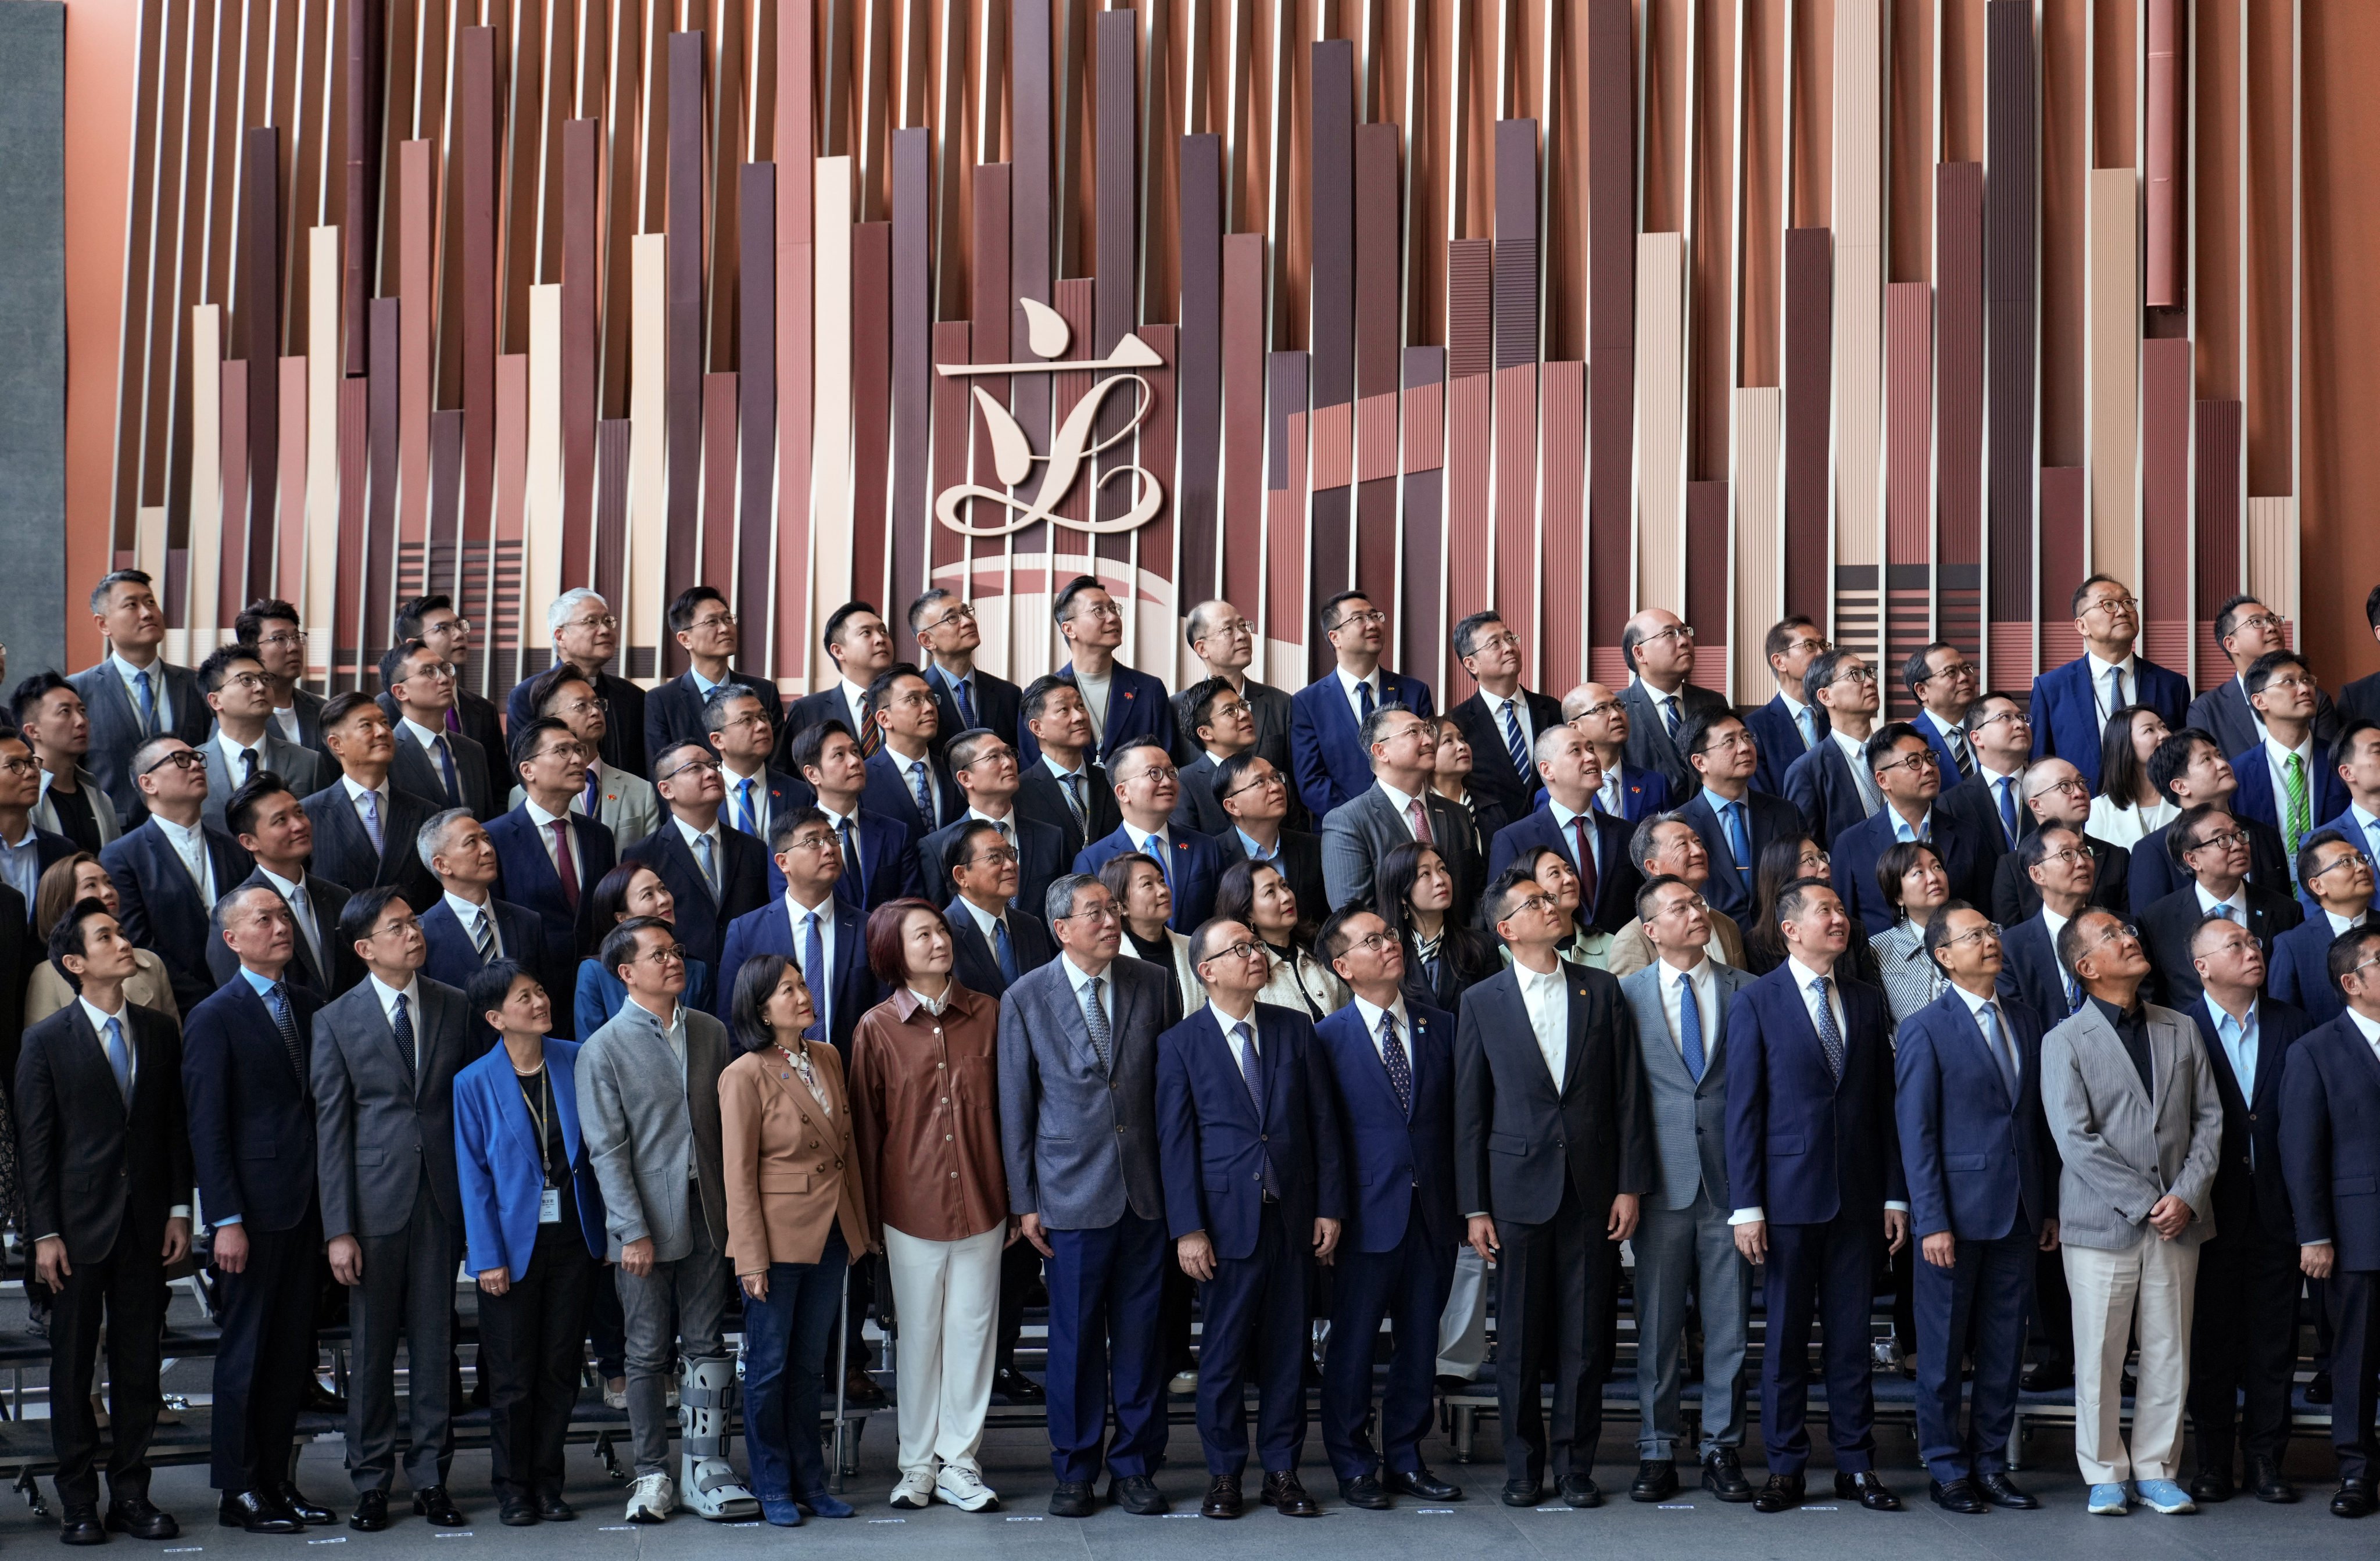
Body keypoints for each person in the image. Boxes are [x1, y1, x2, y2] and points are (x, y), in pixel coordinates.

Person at [1455, 865, 1651, 1506]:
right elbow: (1470, 1110)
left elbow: (1627, 1098)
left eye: (1552, 897)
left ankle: (1575, 1466)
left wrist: (1628, 1185)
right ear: (1507, 928)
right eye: (1535, 901)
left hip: (1593, 1189)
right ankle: (1522, 1466)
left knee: (1586, 1339)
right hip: (1514, 1192)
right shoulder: (1482, 1000)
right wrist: (1475, 1204)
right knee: (1515, 1339)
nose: (1552, 905)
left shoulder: (1600, 989)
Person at [1724, 876, 1907, 1513]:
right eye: (1824, 910)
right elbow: (1743, 1111)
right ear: (1791, 928)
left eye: (1841, 910)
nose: (1839, 919)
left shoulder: (1862, 997)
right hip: (1784, 1200)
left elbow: (1883, 1105)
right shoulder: (1757, 1001)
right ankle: (1785, 1466)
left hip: (1858, 1200)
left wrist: (1895, 1195)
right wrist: (1746, 1205)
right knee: (1784, 1340)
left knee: (1852, 1339)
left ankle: (1857, 1465)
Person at [995, 873, 1173, 1517]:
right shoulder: (1025, 997)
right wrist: (1025, 1200)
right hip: (1069, 1194)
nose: (1110, 919)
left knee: (1142, 1337)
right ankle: (1074, 1469)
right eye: (1094, 912)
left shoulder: (1150, 982)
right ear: (1062, 928)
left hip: (1146, 1191)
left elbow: (1169, 1089)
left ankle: (1136, 1466)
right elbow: (1015, 1105)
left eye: (1113, 908)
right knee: (1071, 1342)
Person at [1158, 916, 1345, 1519]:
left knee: (1290, 1353)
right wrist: (1187, 1227)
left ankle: (1283, 1471)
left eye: (1256, 945)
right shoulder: (1181, 1043)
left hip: (1291, 1219)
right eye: (1239, 949)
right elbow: (1175, 1143)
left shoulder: (1294, 1029)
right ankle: (1224, 1473)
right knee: (1223, 1356)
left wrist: (1329, 1208)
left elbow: (1323, 1125)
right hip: (1223, 1224)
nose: (1255, 955)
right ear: (1207, 970)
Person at [19, 897, 192, 1544]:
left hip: (147, 1225)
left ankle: (131, 1493)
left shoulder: (157, 1029)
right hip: (73, 1231)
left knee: (139, 1365)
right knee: (72, 1371)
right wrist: (43, 1233)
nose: (124, 943)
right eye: (106, 937)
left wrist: (180, 1207)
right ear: (74, 962)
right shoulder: (45, 1040)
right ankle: (77, 1501)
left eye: (120, 933)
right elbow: (37, 1147)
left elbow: (173, 1126)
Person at [2038, 907, 2222, 1516]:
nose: (2130, 937)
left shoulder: (2181, 1026)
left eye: (2128, 929)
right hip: (2102, 1222)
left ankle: (2158, 1467)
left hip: (2180, 1218)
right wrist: (2148, 1203)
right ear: (2086, 967)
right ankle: (2104, 1471)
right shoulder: (2063, 1040)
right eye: (2112, 935)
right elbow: (2075, 1138)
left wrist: (2186, 1195)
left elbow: (2210, 1121)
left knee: (2170, 1348)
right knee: (2100, 1353)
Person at [577, 915, 760, 1523]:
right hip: (644, 1222)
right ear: (627, 972)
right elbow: (606, 1149)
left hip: (708, 1209)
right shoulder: (603, 1047)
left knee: (708, 1343)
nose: (674, 960)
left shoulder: (709, 1030)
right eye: (658, 955)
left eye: (676, 950)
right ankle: (652, 1471)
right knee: (647, 1350)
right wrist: (630, 1229)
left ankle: (706, 1464)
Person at [311, 886, 475, 1530]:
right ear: (364, 948)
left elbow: (463, 1110)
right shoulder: (335, 1019)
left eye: (414, 923)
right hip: (372, 1204)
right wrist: (338, 1228)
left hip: (440, 1196)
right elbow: (332, 1129)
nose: (414, 933)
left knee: (436, 1345)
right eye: (398, 926)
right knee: (372, 1349)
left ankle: (433, 1477)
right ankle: (372, 1480)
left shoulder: (453, 1004)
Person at [1894, 903, 2058, 1513]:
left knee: (2001, 1348)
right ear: (1944, 955)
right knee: (1940, 1351)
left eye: (1991, 932)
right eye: (1975, 936)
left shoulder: (2026, 1018)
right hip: (1953, 1220)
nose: (1991, 941)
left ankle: (1991, 1463)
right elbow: (1917, 1133)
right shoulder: (1924, 1027)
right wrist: (1931, 1219)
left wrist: (2047, 1206)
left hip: (2019, 1209)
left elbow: (2036, 1122)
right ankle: (1946, 1466)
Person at [847, 901, 1008, 1512]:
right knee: (916, 1337)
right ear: (894, 950)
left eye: (941, 930)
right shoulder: (876, 1027)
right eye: (923, 935)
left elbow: (1013, 1111)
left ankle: (961, 1461)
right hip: (907, 1207)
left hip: (984, 1200)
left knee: (973, 1333)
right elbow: (865, 1129)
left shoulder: (990, 1015)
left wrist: (1016, 1199)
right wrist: (867, 1220)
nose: (940, 941)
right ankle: (916, 1463)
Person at [185, 885, 336, 1534]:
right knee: (245, 1354)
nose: (281, 927)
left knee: (290, 1357)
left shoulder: (308, 1004)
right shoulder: (214, 1015)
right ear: (232, 938)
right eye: (263, 919)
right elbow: (207, 1125)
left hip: (308, 1208)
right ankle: (238, 1489)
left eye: (283, 916)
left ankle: (278, 1480)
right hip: (250, 1212)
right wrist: (224, 1218)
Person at [1309, 907, 1464, 1509]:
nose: (1390, 944)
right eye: (1373, 940)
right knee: (1351, 1346)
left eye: (1390, 934)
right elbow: (1323, 1137)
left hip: (1433, 1214)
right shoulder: (1325, 1037)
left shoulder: (1442, 1025)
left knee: (1420, 1344)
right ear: (1344, 966)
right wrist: (1328, 1210)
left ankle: (1405, 1456)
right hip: (1363, 1217)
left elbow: (1462, 1122)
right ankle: (1352, 1462)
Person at [718, 954, 872, 1526]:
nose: (802, 994)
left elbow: (847, 1151)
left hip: (833, 1231)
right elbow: (738, 1174)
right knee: (768, 1367)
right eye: (787, 989)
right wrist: (750, 1258)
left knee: (811, 1366)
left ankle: (813, 1479)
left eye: (802, 983)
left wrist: (861, 1227)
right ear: (761, 1007)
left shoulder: (828, 1055)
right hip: (777, 1243)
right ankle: (772, 1483)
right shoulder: (744, 1073)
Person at [1616, 876, 1755, 1503]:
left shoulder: (1746, 991)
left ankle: (1722, 1447)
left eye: (1699, 903)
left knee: (1728, 1327)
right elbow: (1621, 1102)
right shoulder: (1626, 996)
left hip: (1732, 1184)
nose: (1696, 913)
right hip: (1661, 1185)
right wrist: (1628, 1183)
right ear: (1651, 929)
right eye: (1680, 908)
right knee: (1659, 1327)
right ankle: (1655, 1448)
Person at [453, 961, 606, 1526]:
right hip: (510, 1249)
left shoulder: (576, 1058)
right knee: (514, 1376)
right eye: (525, 997)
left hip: (573, 1238)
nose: (540, 1001)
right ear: (496, 1017)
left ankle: (548, 1481)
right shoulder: (471, 1083)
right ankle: (512, 1487)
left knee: (561, 1368)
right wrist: (485, 1257)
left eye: (541, 990)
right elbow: (473, 1176)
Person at [2179, 918, 2311, 1504]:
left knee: (2273, 1344)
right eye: (2235, 945)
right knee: (2211, 1343)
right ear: (2203, 966)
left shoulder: (2292, 1021)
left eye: (2253, 942)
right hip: (2208, 1211)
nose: (2252, 950)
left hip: (2278, 1209)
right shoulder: (2178, 1025)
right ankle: (2210, 1463)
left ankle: (2266, 1461)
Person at [2280, 922, 2380, 1518]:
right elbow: (2301, 1151)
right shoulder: (2314, 1050)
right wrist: (2314, 1233)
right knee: (2356, 1358)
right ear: (2352, 981)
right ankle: (2357, 1470)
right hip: (2355, 1233)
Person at [101, 734, 252, 1014]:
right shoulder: (121, 856)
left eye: (197, 758)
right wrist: (205, 998)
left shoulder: (233, 849)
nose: (196, 765)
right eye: (181, 760)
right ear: (148, 783)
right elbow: (139, 944)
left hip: (243, 996)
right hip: (171, 1006)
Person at [714, 810, 877, 1056]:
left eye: (833, 839)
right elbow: (734, 1020)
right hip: (775, 1081)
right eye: (813, 842)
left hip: (855, 1077)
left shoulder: (868, 927)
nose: (829, 849)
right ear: (783, 862)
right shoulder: (747, 931)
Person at [487, 718, 620, 1003]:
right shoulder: (495, 837)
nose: (577, 759)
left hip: (595, 989)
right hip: (531, 991)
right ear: (528, 770)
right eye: (562, 751)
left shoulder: (598, 835)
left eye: (578, 750)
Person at [69, 568, 211, 824]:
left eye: (150, 602)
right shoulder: (77, 692)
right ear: (103, 624)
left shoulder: (196, 685)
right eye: (131, 605)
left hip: (190, 825)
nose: (147, 613)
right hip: (113, 833)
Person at [2029, 575, 2193, 789]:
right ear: (2082, 626)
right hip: (2083, 813)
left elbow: (2182, 758)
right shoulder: (2051, 688)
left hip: (2160, 810)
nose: (2123, 611)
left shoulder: (2172, 685)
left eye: (2127, 602)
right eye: (2108, 604)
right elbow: (2040, 767)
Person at [1828, 723, 1991, 936]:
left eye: (1930, 758)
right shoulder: (1851, 844)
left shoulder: (1969, 836)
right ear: (1883, 779)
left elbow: (1985, 913)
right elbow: (1845, 924)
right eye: (1914, 762)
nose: (1928, 768)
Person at [622, 740, 771, 973]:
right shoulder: (643, 856)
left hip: (748, 979)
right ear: (666, 789)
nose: (711, 773)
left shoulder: (754, 849)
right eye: (696, 768)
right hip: (682, 981)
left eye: (713, 765)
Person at [1319, 706, 1480, 918]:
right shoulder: (1348, 822)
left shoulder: (1457, 813)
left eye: (1427, 731)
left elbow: (1477, 893)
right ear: (1381, 752)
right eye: (1414, 732)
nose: (1428, 740)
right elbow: (1353, 916)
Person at [2138, 804, 2303, 1008]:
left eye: (2240, 835)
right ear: (2192, 859)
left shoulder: (2285, 911)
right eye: (2222, 839)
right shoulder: (2157, 920)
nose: (2238, 845)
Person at [210, 772, 355, 998]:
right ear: (249, 841)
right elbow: (238, 998)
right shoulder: (234, 912)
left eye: (299, 813)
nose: (299, 825)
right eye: (281, 820)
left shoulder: (339, 896)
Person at [1291, 591, 1437, 818]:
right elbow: (1311, 781)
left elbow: (1428, 760)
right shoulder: (1307, 703)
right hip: (1345, 828)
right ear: (1335, 637)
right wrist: (1360, 819)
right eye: (1359, 619)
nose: (1373, 624)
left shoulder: (1414, 692)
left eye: (1375, 616)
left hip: (1411, 820)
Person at [1486, 724, 1639, 935]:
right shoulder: (1513, 839)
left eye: (1591, 749)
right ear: (1547, 770)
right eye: (1576, 750)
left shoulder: (1627, 833)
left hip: (1621, 960)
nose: (1591, 757)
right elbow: (1500, 918)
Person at [1021, 576, 1179, 765]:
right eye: (1099, 611)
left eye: (1113, 609)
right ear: (1069, 629)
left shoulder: (1149, 690)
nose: (1113, 618)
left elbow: (1168, 763)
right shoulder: (1039, 696)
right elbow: (1032, 772)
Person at [917, 729, 1069, 923]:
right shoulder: (937, 846)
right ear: (965, 778)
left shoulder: (1051, 838)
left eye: (1009, 753)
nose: (1008, 763)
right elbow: (940, 921)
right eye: (994, 757)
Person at [2128, 728, 2289, 911]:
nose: (2222, 764)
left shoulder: (2263, 834)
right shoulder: (2153, 851)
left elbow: (2285, 913)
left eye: (2219, 755)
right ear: (2180, 786)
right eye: (2207, 760)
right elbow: (2152, 926)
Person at [1076, 737, 1229, 929]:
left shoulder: (1206, 847)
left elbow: (1224, 918)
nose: (1167, 782)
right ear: (1123, 792)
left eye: (1171, 772)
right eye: (1154, 773)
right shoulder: (1093, 860)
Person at [301, 693, 439, 905]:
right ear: (337, 744)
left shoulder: (425, 812)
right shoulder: (309, 814)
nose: (382, 732)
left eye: (385, 723)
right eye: (366, 725)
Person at [2226, 650, 2349, 882]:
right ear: (2259, 700)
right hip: (2269, 899)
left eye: (2306, 680)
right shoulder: (2237, 774)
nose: (2305, 689)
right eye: (2289, 682)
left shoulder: (2340, 762)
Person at [1676, 709, 1804, 925]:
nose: (1745, 747)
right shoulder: (1681, 824)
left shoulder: (1785, 813)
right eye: (1729, 742)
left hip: (1779, 940)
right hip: (1715, 942)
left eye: (1746, 737)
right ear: (1700, 762)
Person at [1447, 610, 1565, 839]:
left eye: (1510, 638)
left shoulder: (1551, 710)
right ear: (1471, 664)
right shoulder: (1457, 724)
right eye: (1495, 644)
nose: (1509, 647)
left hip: (1556, 837)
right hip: (1494, 844)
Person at [504, 589, 647, 778]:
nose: (605, 630)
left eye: (607, 621)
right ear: (560, 636)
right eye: (592, 622)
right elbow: (523, 774)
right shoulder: (527, 696)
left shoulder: (633, 696)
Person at [513, 665, 659, 844]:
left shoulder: (640, 790)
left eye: (597, 703)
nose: (595, 711)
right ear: (552, 719)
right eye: (581, 706)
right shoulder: (528, 792)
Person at [416, 808, 553, 999]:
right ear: (442, 865)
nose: (488, 849)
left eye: (486, 839)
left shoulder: (527, 921)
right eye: (471, 842)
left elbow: (546, 992)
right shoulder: (422, 933)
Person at [573, 862, 715, 1039]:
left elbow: (707, 1043)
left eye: (663, 889)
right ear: (622, 918)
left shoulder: (696, 969)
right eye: (648, 895)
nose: (664, 899)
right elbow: (589, 1051)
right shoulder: (595, 972)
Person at [30, 853, 176, 1023]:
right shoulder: (47, 976)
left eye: (109, 882)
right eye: (91, 885)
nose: (108, 892)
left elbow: (173, 1041)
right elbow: (45, 1045)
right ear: (62, 899)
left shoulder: (151, 962)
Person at [791, 719, 921, 911]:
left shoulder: (896, 833)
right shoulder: (793, 840)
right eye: (839, 755)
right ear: (812, 774)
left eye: (854, 752)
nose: (855, 762)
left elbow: (912, 906)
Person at [2191, 593, 2341, 758]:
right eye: (2256, 622)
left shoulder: (2314, 698)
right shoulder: (2206, 710)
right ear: (2231, 644)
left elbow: (2331, 766)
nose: (2271, 628)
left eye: (2273, 620)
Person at [646, 585, 785, 758]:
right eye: (712, 622)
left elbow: (779, 762)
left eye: (728, 619)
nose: (725, 629)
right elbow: (662, 768)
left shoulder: (764, 691)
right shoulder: (662, 701)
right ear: (685, 639)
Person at [1991, 757, 2134, 923]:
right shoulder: (2012, 867)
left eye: (2081, 783)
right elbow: (2011, 941)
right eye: (2065, 786)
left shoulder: (2117, 857)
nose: (2080, 793)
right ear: (2037, 805)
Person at [196, 642, 322, 826]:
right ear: (215, 700)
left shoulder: (308, 762)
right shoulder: (194, 765)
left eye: (266, 679)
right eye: (247, 680)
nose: (260, 687)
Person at [1605, 812, 1746, 975]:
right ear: (1653, 866)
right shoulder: (1633, 938)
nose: (1698, 851)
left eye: (1697, 841)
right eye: (1682, 845)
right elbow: (1632, 998)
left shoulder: (1727, 925)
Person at [1175, 600, 1296, 787]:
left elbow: (1293, 781)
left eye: (1242, 625)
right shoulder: (1175, 707)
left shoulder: (1280, 703)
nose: (1242, 635)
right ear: (1202, 648)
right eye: (1228, 629)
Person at [388, 594, 509, 778]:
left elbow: (499, 787)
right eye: (443, 629)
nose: (459, 635)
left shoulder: (484, 710)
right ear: (413, 645)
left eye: (460, 625)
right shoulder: (384, 711)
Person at [1617, 608, 1730, 801]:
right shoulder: (1618, 710)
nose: (1685, 641)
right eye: (1670, 634)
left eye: (1685, 631)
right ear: (1640, 653)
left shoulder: (1712, 702)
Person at [1377, 840, 1499, 1014]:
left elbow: (1493, 1016)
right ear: (1402, 894)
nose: (1440, 880)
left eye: (1442, 869)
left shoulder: (1480, 947)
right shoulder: (1389, 955)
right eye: (1425, 874)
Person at [1214, 858, 1345, 1019]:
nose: (1286, 897)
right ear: (1248, 914)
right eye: (1270, 892)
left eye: (1284, 885)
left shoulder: (1320, 949)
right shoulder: (1249, 971)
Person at [940, 819, 1058, 997]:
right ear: (961, 875)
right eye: (995, 857)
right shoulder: (943, 933)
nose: (1011, 865)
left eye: (1011, 854)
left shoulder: (1031, 925)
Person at [1783, 648, 1885, 847]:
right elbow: (1807, 851)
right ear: (1826, 696)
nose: (1871, 682)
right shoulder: (1807, 771)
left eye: (1870, 673)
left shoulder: (1896, 753)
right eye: (1856, 675)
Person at [703, 688, 803, 891]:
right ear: (717, 740)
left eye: (763, 717)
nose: (761, 726)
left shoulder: (800, 793)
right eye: (747, 720)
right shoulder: (701, 794)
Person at [1014, 675, 1124, 859]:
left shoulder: (1112, 781)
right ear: (1037, 728)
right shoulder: (1018, 792)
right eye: (1064, 709)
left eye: (1081, 706)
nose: (1079, 716)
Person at [1996, 825, 2097, 1025]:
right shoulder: (2010, 948)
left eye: (2084, 851)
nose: (2081, 862)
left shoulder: (2122, 929)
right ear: (2037, 874)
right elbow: (2018, 1025)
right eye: (2067, 854)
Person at [380, 642, 494, 818]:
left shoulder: (473, 750)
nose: (445, 679)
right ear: (401, 692)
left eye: (445, 668)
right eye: (429, 672)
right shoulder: (387, 754)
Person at [2271, 829, 2370, 1023]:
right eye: (2346, 862)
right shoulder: (2293, 946)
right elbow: (2285, 1024)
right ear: (2317, 885)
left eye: (2362, 859)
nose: (2361, 868)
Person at [780, 601, 899, 761]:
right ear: (838, 651)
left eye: (883, 631)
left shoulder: (911, 700)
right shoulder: (807, 711)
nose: (880, 639)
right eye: (866, 633)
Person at [1212, 753, 1329, 914]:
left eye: (1275, 778)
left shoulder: (1313, 847)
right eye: (1260, 782)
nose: (1276, 787)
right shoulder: (1213, 856)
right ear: (1232, 806)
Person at [17, 672, 120, 853]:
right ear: (33, 731)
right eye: (65, 712)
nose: (81, 721)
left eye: (82, 711)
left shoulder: (100, 798)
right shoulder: (23, 797)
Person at [860, 664, 962, 843]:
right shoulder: (863, 780)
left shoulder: (954, 771)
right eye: (914, 700)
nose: (929, 708)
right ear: (884, 719)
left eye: (931, 698)